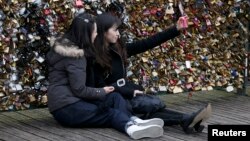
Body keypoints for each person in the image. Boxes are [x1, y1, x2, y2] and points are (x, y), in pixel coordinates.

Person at [46, 13, 166, 140]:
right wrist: (101, 91)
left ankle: (134, 120)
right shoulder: (76, 56)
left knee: (115, 97)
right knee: (110, 113)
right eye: (95, 32)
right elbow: (80, 89)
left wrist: (106, 91)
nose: (97, 35)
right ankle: (131, 128)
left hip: (72, 100)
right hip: (66, 108)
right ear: (86, 34)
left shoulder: (70, 47)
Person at [91, 12, 212, 134]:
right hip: (113, 102)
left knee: (152, 105)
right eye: (115, 30)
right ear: (103, 32)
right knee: (145, 109)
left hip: (125, 95)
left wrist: (175, 29)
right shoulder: (95, 58)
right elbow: (101, 88)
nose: (118, 33)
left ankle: (187, 119)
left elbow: (148, 43)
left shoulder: (118, 48)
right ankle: (187, 120)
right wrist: (130, 91)